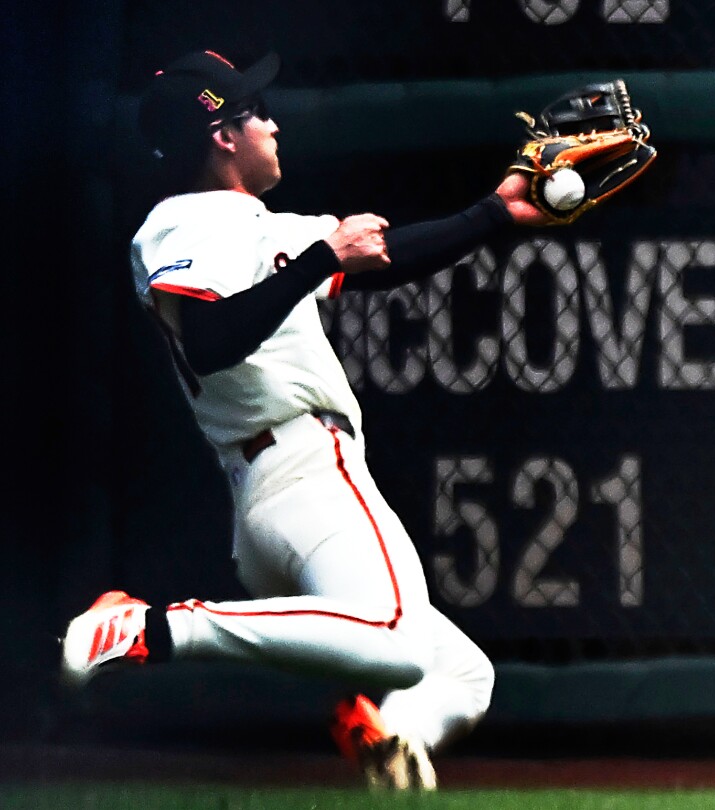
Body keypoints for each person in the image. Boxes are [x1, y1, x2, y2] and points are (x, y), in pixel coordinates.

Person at [58, 48, 552, 791]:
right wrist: (320, 257)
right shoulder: (182, 223)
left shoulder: (252, 225)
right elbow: (212, 342)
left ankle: (391, 742)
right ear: (223, 135)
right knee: (398, 642)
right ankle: (152, 628)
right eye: (256, 112)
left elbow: (387, 253)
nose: (274, 125)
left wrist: (498, 211)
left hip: (278, 492)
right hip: (301, 472)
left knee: (459, 674)